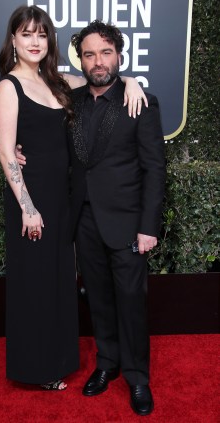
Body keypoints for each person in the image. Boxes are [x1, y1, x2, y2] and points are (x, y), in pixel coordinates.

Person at [0, 5, 147, 391]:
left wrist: (131, 81)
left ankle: (57, 361)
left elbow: (100, 78)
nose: (34, 41)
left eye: (41, 34)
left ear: (50, 41)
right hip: (31, 201)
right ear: (13, 39)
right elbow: (5, 151)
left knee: (58, 282)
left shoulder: (59, 82)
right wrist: (28, 208)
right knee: (34, 284)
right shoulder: (7, 87)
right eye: (26, 34)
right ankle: (35, 368)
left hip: (62, 201)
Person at [67, 21, 166, 415]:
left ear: (119, 57)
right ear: (81, 59)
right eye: (90, 54)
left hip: (127, 222)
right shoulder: (71, 101)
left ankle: (138, 378)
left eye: (106, 53)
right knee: (100, 301)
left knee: (130, 302)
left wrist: (148, 227)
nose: (98, 61)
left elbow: (154, 169)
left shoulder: (140, 101)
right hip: (84, 221)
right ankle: (107, 364)